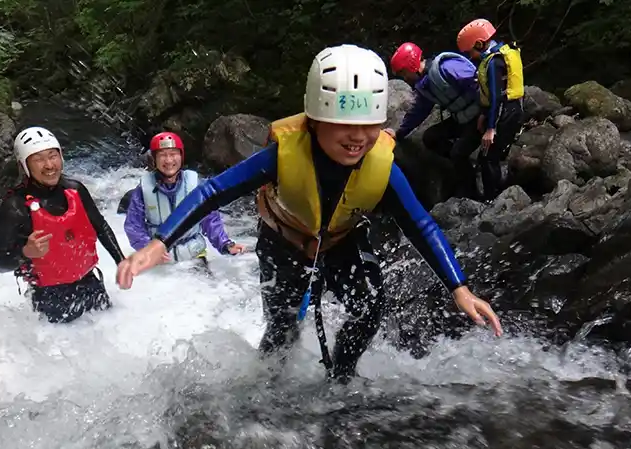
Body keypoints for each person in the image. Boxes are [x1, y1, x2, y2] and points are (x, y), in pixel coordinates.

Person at [116, 44, 503, 383]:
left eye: (369, 125)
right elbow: (214, 191)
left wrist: (459, 287)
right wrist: (158, 242)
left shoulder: (383, 167)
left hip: (341, 241)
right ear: (316, 120)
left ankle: (341, 374)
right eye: (343, 125)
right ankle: (266, 385)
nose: (358, 138)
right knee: (282, 329)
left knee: (368, 309)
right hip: (283, 243)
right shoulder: (284, 155)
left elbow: (420, 224)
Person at [0, 126, 126, 323]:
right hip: (49, 297)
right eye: (38, 159)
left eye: (53, 156)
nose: (49, 165)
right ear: (25, 165)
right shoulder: (15, 206)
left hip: (90, 284)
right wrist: (26, 252)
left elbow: (101, 226)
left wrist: (121, 261)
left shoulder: (76, 189)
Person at [123, 131, 244, 270]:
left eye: (173, 154)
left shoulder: (195, 184)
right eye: (163, 155)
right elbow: (133, 226)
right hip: (159, 259)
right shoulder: (143, 189)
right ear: (154, 159)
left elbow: (210, 220)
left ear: (181, 156)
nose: (168, 161)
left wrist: (226, 244)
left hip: (193, 255)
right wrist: (148, 249)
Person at [387, 42, 483, 200]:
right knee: (431, 138)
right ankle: (463, 165)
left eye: (404, 72)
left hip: (479, 116)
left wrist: (487, 115)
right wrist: (399, 133)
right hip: (462, 118)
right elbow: (418, 112)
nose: (405, 77)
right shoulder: (425, 84)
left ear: (412, 65)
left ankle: (472, 193)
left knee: (458, 153)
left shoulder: (446, 67)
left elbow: (479, 84)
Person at [457, 18, 525, 201]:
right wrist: (483, 115)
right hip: (509, 110)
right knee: (489, 156)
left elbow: (496, 96)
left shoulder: (494, 63)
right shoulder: (502, 53)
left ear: (479, 44)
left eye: (470, 51)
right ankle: (495, 195)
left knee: (488, 158)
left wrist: (490, 129)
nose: (470, 56)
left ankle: (492, 200)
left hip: (507, 112)